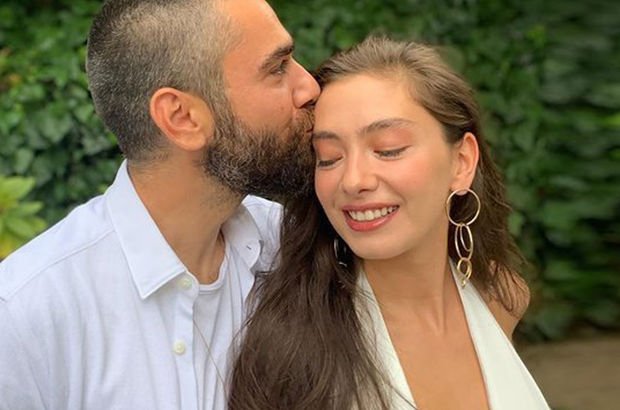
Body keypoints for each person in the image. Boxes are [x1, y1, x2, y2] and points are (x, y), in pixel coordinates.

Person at [0, 0, 319, 408]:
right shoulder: (28, 314)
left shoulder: (292, 247)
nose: (309, 87)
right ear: (182, 117)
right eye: (277, 68)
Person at [229, 36, 549, 410]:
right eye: (328, 157)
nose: (353, 180)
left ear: (461, 163)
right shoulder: (292, 344)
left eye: (388, 149)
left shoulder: (502, 296)